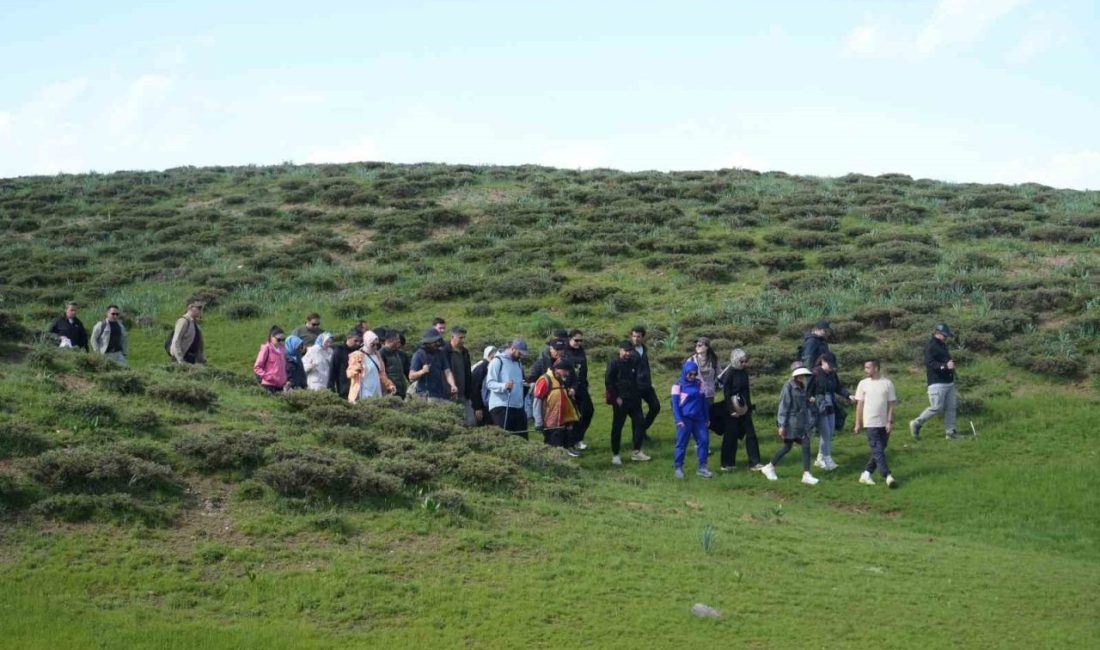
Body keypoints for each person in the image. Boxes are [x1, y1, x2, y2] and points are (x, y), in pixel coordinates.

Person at [761, 366, 820, 485]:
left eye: (804, 375)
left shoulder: (802, 386)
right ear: (796, 375)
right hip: (791, 423)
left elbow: (802, 403)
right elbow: (784, 406)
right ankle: (804, 474)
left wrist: (809, 400)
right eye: (801, 375)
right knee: (794, 445)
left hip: (801, 422)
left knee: (794, 445)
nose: (803, 377)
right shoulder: (788, 386)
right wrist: (781, 425)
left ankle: (771, 467)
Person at [910, 323, 961, 440]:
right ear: (938, 333)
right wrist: (945, 366)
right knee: (936, 407)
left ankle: (950, 431)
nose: (946, 337)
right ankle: (917, 423)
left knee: (951, 407)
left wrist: (950, 365)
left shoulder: (943, 345)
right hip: (937, 382)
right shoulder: (931, 346)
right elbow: (930, 363)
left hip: (949, 381)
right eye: (945, 335)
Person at [853, 359, 899, 488]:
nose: (865, 370)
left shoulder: (887, 383)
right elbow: (859, 405)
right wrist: (858, 423)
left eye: (868, 367)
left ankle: (866, 474)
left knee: (879, 451)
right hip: (870, 423)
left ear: (876, 368)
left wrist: (889, 421)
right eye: (865, 367)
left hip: (884, 423)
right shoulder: (863, 384)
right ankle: (887, 476)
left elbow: (891, 404)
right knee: (878, 450)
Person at [605, 340, 651, 465]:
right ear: (620, 350)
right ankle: (615, 454)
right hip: (620, 400)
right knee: (618, 426)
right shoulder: (613, 363)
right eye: (626, 351)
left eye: (630, 351)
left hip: (634, 398)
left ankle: (637, 451)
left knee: (639, 422)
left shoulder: (633, 360)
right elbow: (609, 382)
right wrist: (616, 397)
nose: (628, 353)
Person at [718, 349, 763, 472]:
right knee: (730, 435)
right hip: (732, 407)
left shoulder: (744, 372)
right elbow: (726, 393)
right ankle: (727, 463)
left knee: (751, 434)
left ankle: (755, 462)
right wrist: (731, 410)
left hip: (744, 406)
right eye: (742, 361)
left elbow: (746, 390)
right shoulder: (729, 373)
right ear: (736, 361)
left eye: (745, 361)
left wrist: (749, 407)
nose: (744, 364)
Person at [807, 351, 852, 471]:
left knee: (830, 432)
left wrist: (848, 395)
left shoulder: (832, 374)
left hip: (830, 405)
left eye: (833, 365)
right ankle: (827, 459)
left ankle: (820, 458)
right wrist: (810, 398)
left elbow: (838, 387)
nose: (831, 367)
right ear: (823, 361)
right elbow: (807, 391)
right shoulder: (815, 373)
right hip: (819, 407)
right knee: (826, 433)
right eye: (829, 365)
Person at [671, 359, 713, 479]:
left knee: (704, 440)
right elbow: (675, 405)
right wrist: (679, 420)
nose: (692, 377)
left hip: (699, 418)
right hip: (685, 419)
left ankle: (702, 467)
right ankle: (678, 467)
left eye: (695, 374)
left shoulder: (699, 383)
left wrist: (707, 418)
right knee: (682, 443)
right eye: (690, 374)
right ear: (685, 372)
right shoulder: (677, 385)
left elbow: (704, 402)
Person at [533, 358, 581, 455]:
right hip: (550, 423)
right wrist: (538, 422)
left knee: (562, 446)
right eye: (565, 371)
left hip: (562, 420)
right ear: (557, 369)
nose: (567, 374)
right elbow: (537, 402)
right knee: (553, 449)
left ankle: (568, 451)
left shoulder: (559, 379)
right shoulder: (544, 380)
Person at [485, 339, 528, 437]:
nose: (521, 356)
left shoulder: (518, 363)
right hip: (501, 406)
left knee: (523, 438)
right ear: (513, 349)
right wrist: (504, 386)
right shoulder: (497, 361)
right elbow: (490, 383)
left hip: (518, 406)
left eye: (523, 354)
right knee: (505, 437)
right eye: (520, 353)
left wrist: (523, 385)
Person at [564, 329, 594, 449]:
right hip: (569, 388)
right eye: (576, 340)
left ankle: (578, 437)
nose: (579, 343)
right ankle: (571, 441)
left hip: (581, 387)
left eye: (581, 340)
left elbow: (583, 370)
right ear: (569, 339)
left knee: (588, 411)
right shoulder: (565, 352)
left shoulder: (581, 350)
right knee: (572, 416)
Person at [409, 329, 458, 401]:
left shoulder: (440, 353)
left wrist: (452, 385)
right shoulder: (419, 355)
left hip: (439, 394)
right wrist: (422, 371)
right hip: (424, 395)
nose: (437, 343)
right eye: (435, 342)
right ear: (427, 343)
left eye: (438, 341)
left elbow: (447, 371)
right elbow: (411, 376)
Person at [347, 330, 396, 403]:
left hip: (376, 389)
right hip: (364, 390)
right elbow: (349, 373)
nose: (375, 346)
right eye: (373, 344)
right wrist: (356, 369)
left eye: (377, 344)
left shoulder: (377, 355)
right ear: (367, 342)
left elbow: (382, 374)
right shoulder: (357, 355)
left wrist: (389, 385)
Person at [630, 326, 661, 438]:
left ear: (643, 337)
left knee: (655, 406)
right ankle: (637, 437)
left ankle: (642, 430)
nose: (636, 339)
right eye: (634, 336)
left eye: (638, 336)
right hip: (634, 386)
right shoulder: (628, 350)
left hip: (646, 385)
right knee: (637, 413)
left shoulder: (644, 349)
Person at [445, 326, 476, 425]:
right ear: (452, 337)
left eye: (464, 338)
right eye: (460, 338)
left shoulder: (465, 352)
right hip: (448, 395)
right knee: (451, 422)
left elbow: (468, 373)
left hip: (463, 394)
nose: (463, 340)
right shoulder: (444, 351)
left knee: (470, 422)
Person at [170, 300, 206, 365]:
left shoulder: (195, 323)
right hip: (182, 359)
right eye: (199, 308)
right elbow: (176, 341)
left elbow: (198, 344)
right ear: (190, 307)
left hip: (192, 360)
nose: (200, 311)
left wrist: (202, 360)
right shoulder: (183, 321)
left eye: (201, 308)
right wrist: (180, 361)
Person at [253, 326, 288, 393]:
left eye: (283, 339)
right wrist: (268, 377)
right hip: (268, 385)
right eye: (279, 339)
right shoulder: (266, 348)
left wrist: (286, 379)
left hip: (281, 386)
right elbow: (257, 367)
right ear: (272, 337)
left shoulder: (283, 349)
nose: (281, 342)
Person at [328, 330, 362, 399]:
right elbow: (332, 370)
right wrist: (330, 388)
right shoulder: (339, 351)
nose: (358, 343)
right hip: (343, 388)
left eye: (360, 341)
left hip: (358, 387)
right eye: (355, 341)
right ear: (348, 338)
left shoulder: (359, 351)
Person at [471, 345, 497, 426]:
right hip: (482, 406)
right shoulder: (481, 368)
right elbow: (475, 388)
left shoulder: (490, 366)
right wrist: (477, 407)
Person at [687, 337, 719, 403]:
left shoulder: (714, 360)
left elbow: (720, 375)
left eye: (700, 345)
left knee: (709, 409)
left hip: (709, 395)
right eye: (696, 345)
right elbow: (685, 377)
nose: (697, 347)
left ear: (707, 347)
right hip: (695, 394)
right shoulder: (691, 360)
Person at [379, 330, 409, 399]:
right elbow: (381, 373)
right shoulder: (381, 353)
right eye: (397, 339)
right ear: (391, 339)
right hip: (391, 391)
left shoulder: (397, 353)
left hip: (401, 390)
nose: (399, 341)